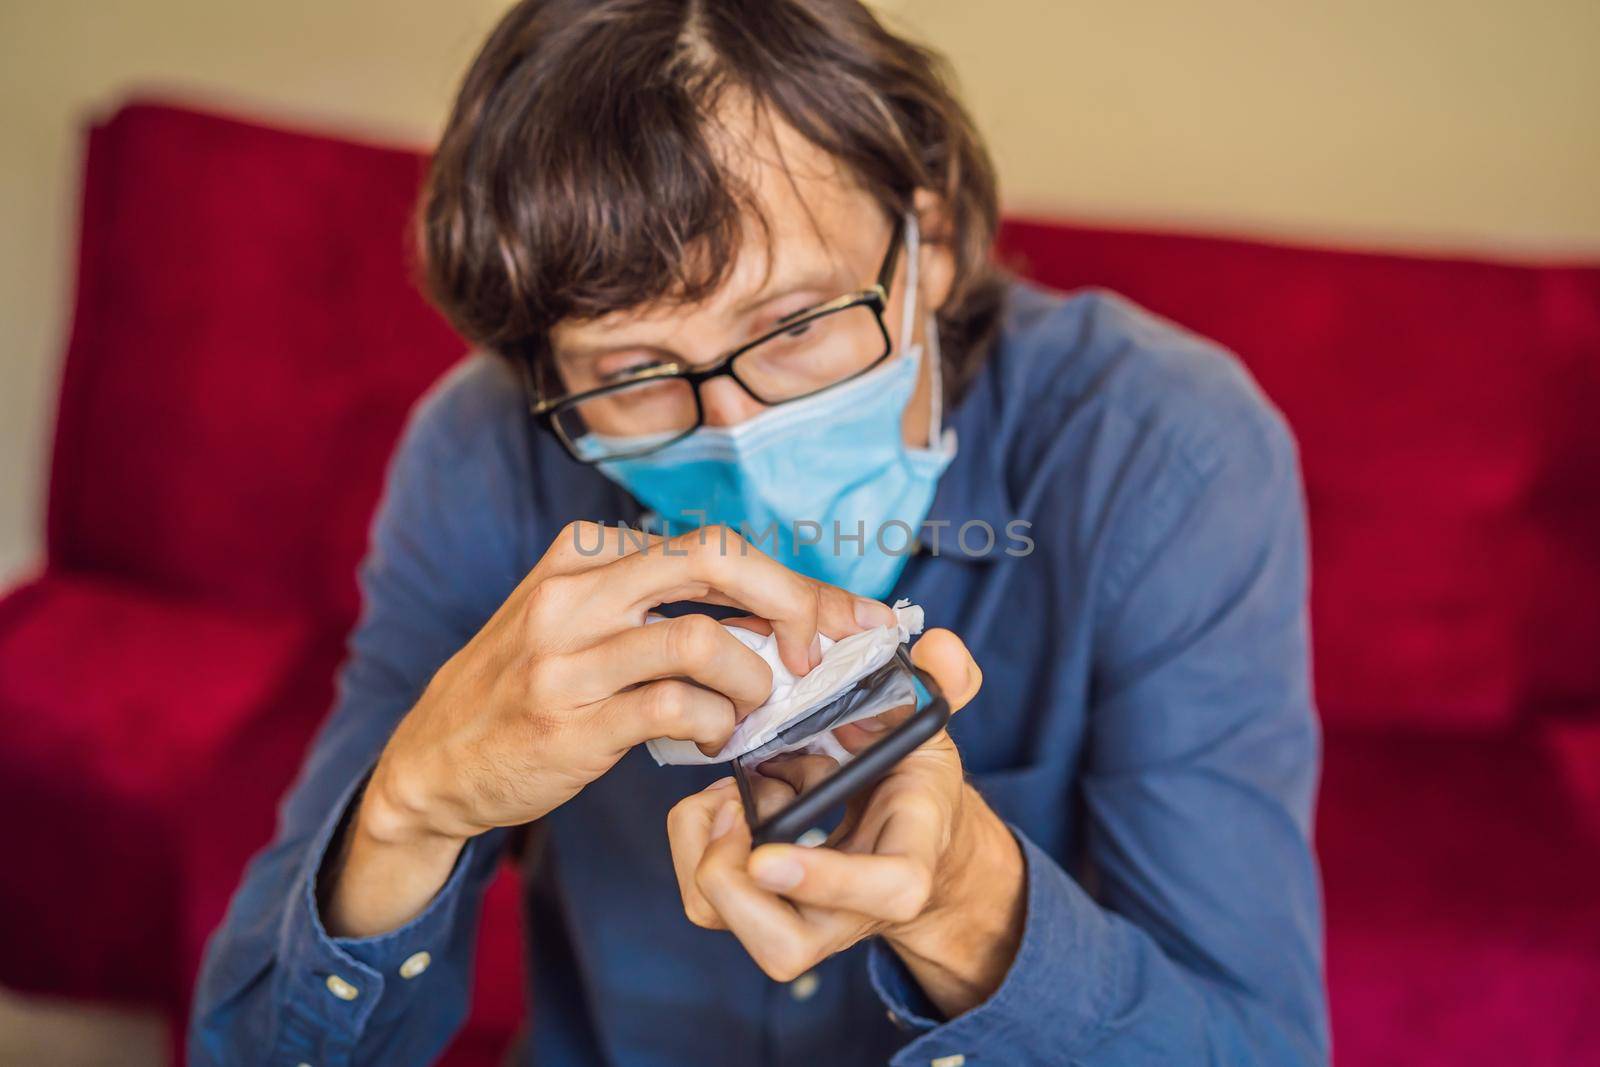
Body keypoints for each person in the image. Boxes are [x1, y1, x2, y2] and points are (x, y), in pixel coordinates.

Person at [190, 1, 1327, 1064]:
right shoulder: (487, 449)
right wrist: (411, 806)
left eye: (794, 323)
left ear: (928, 238)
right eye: (630, 370)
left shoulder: (1167, 453)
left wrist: (968, 898)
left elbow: (1256, 1039)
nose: (735, 430)